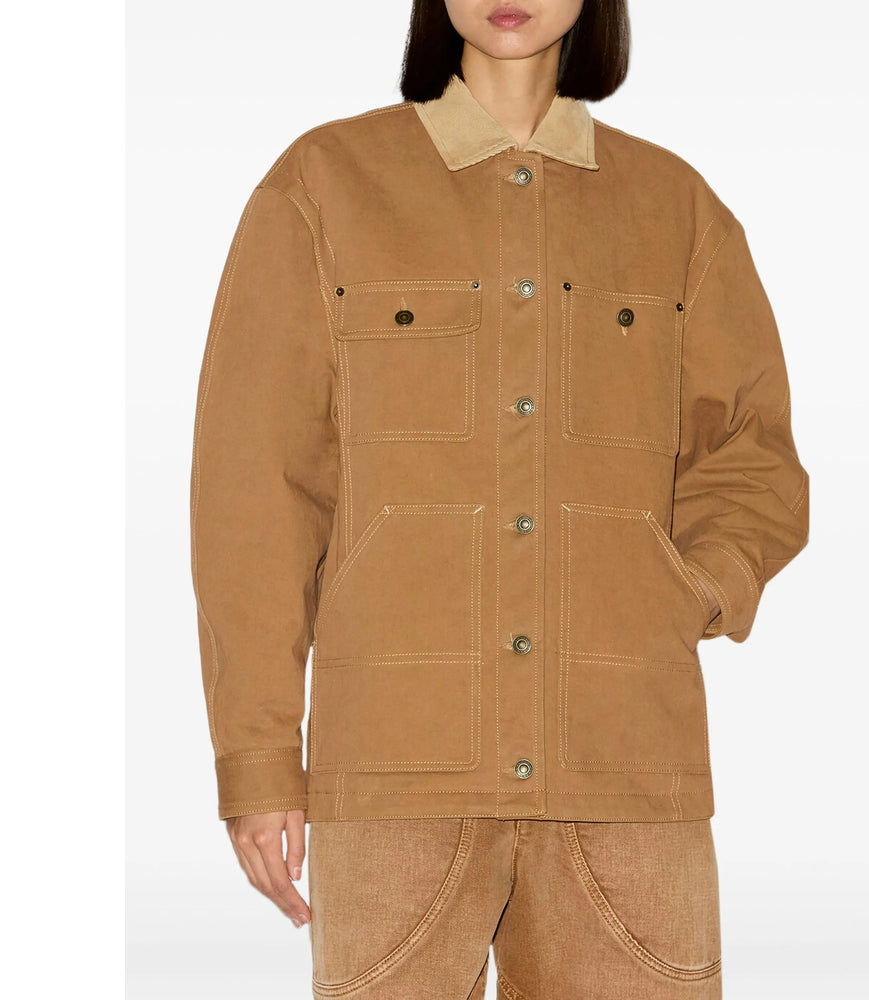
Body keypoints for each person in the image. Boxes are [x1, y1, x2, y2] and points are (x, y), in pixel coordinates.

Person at [188, 1, 809, 996]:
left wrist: (690, 588)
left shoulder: (674, 207)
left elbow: (754, 457)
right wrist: (258, 762)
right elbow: (255, 491)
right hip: (394, 778)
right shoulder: (324, 186)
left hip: (625, 772)